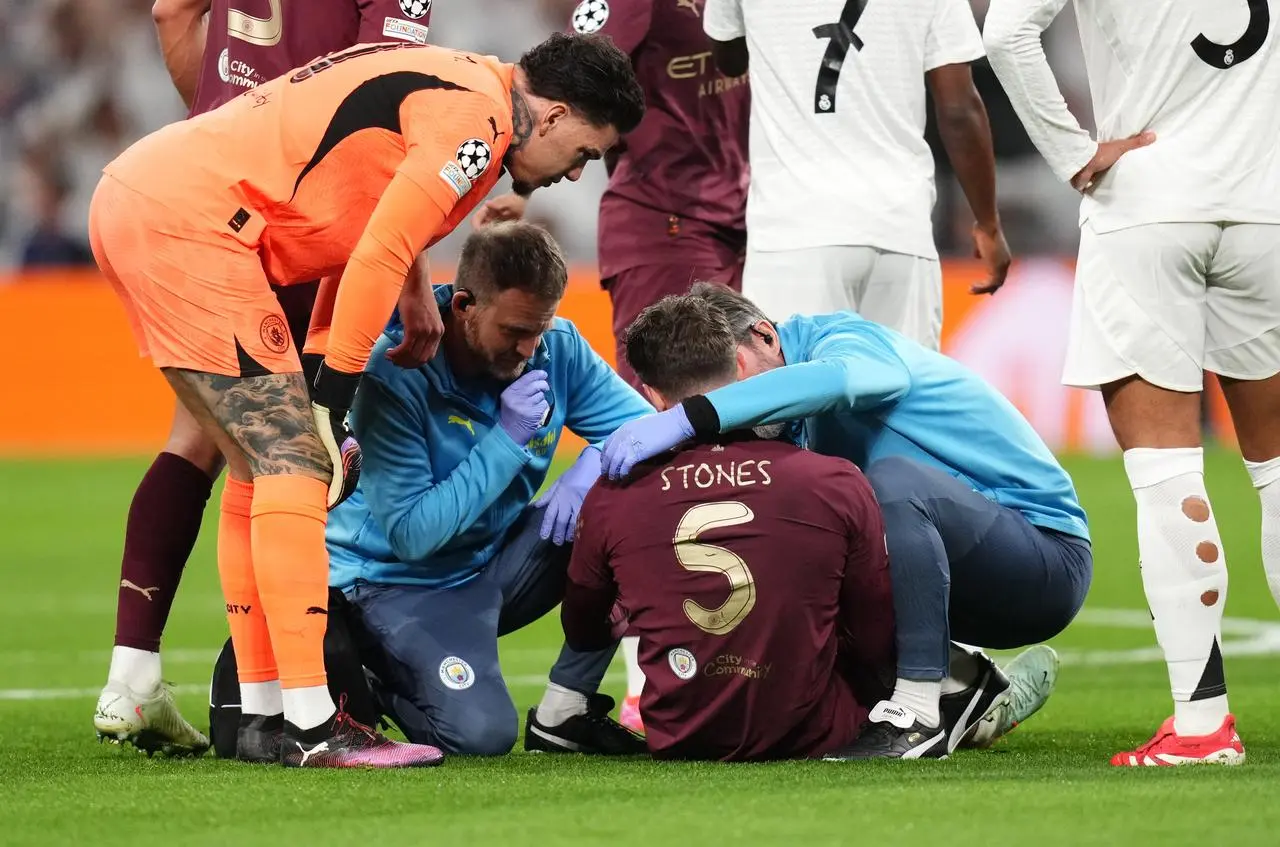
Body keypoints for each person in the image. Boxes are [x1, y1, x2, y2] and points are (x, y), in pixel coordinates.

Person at [88, 33, 646, 768]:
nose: (577, 173)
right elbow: (383, 251)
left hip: (170, 205)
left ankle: (263, 712)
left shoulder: (461, 86)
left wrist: (324, 369)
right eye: (584, 152)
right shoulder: (479, 123)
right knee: (293, 455)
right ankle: (315, 726)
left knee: (256, 463)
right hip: (196, 225)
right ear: (554, 116)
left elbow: (347, 240)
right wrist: (335, 395)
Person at [93, 0, 439, 755]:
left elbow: (167, 13)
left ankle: (146, 675)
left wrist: (223, 119)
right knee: (288, 450)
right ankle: (304, 712)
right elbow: (389, 96)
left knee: (206, 440)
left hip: (203, 173)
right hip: (290, 196)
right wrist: (412, 276)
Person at [601, 284, 1091, 758]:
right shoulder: (773, 411)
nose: (736, 413)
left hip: (1039, 558)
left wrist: (696, 416)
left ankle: (920, 711)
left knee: (892, 482)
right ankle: (962, 683)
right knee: (784, 535)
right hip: (949, 571)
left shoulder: (846, 341)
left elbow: (855, 379)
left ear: (766, 337)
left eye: (740, 388)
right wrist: (598, 468)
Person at [984, 0, 1280, 766]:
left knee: (1164, 470)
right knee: (1277, 472)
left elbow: (1005, 30)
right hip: (1266, 205)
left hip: (1149, 203)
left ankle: (1202, 724)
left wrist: (1069, 152)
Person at [471, 0, 753, 733]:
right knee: (663, 439)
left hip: (752, 213)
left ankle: (703, 656)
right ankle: (638, 675)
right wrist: (524, 180)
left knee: (734, 440)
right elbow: (572, 75)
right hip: (665, 221)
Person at [326, 221, 652, 756]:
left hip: (493, 564)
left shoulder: (557, 349)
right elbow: (411, 535)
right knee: (481, 737)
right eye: (515, 331)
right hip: (394, 583)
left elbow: (648, 434)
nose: (530, 349)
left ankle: (564, 710)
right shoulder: (397, 372)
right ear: (463, 305)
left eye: (540, 329)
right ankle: (373, 670)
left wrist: (587, 471)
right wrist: (508, 439)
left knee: (626, 497)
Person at [563, 295, 896, 761]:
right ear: (741, 366)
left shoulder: (613, 495)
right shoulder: (834, 480)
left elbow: (582, 627)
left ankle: (560, 710)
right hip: (816, 730)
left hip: (679, 733)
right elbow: (874, 630)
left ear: (652, 395)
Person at [699, 0, 1011, 348]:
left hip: (794, 230)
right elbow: (959, 108)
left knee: (795, 396)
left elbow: (728, 58)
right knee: (901, 398)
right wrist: (988, 224)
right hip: (900, 230)